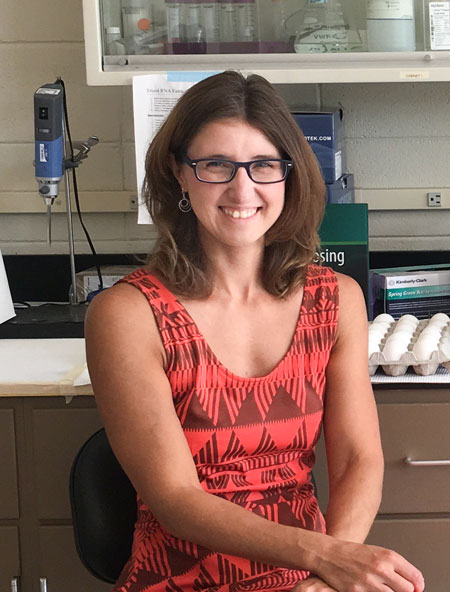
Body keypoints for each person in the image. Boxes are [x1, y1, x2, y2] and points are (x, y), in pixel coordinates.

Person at [85, 70, 425, 592]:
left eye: (264, 165)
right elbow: (176, 498)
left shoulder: (334, 300)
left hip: (310, 575)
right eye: (216, 165)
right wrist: (327, 556)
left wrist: (324, 577)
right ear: (179, 173)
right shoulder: (128, 314)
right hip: (181, 580)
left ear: (289, 175)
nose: (242, 189)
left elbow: (359, 458)